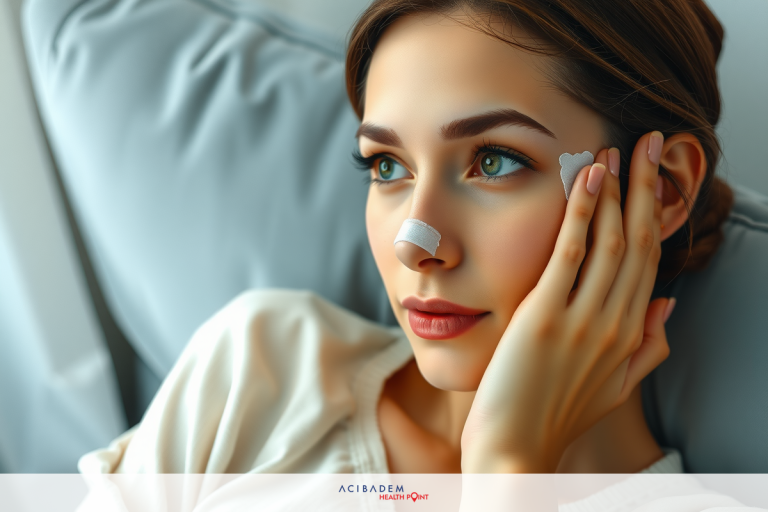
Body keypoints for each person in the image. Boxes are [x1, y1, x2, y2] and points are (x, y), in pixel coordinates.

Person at [79, 0, 743, 507]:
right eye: (387, 166)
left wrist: (508, 468)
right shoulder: (262, 365)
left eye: (494, 160)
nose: (414, 242)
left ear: (660, 191)